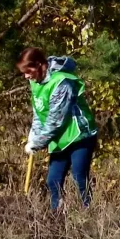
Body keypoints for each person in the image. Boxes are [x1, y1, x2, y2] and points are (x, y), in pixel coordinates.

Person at [17, 47, 98, 211]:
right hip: (61, 137)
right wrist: (34, 135)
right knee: (53, 180)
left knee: (79, 177)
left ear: (40, 64)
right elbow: (39, 112)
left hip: (80, 134)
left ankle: (88, 213)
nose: (26, 76)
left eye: (28, 71)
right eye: (24, 72)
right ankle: (57, 216)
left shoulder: (61, 83)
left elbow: (56, 119)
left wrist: (38, 142)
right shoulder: (35, 82)